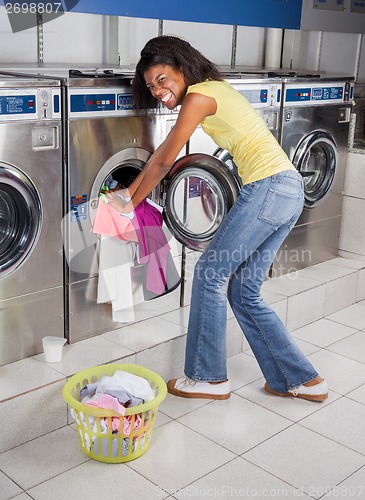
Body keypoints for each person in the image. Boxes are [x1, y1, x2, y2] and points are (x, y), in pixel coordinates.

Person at [106, 35, 328, 402]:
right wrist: (129, 195)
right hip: (287, 191)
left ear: (182, 67)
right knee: (244, 292)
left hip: (269, 188)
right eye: (150, 86)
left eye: (162, 79)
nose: (158, 90)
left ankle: (208, 378)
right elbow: (163, 152)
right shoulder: (211, 91)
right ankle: (301, 379)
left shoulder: (197, 97)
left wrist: (128, 200)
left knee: (210, 273)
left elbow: (163, 162)